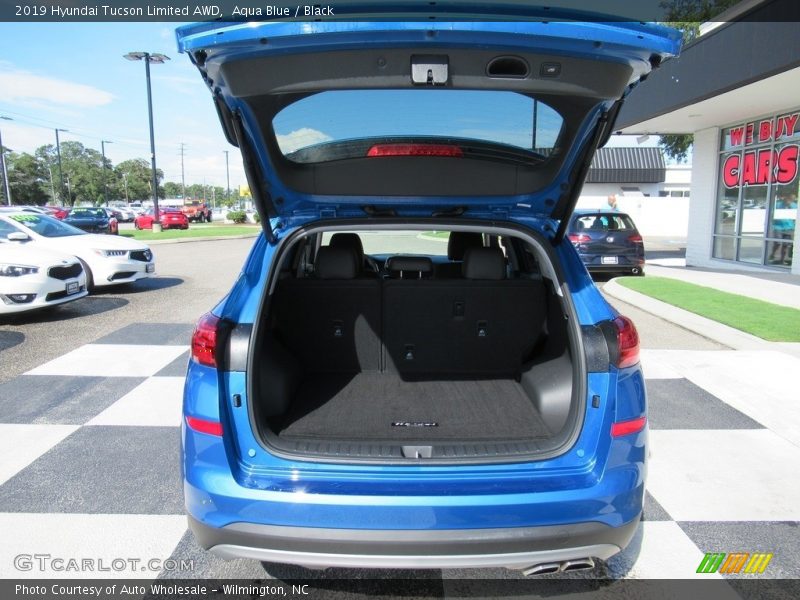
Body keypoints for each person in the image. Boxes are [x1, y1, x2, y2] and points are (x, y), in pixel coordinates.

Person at [769, 192, 797, 265]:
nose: (790, 200)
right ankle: (772, 254)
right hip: (778, 226)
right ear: (786, 198)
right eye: (790, 199)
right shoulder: (778, 204)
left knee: (786, 244)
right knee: (778, 242)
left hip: (789, 227)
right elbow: (772, 214)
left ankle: (782, 259)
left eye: (792, 199)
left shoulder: (794, 206)